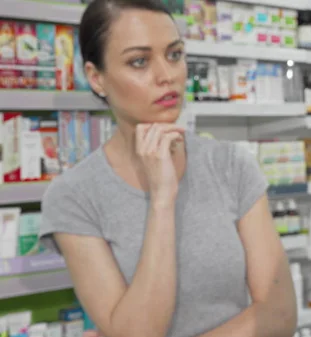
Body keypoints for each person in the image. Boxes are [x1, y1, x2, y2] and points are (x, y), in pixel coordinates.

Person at [38, 0, 297, 336]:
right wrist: (162, 199)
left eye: (174, 54)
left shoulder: (230, 166)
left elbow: (279, 314)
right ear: (97, 78)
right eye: (139, 62)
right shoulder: (74, 197)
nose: (167, 75)